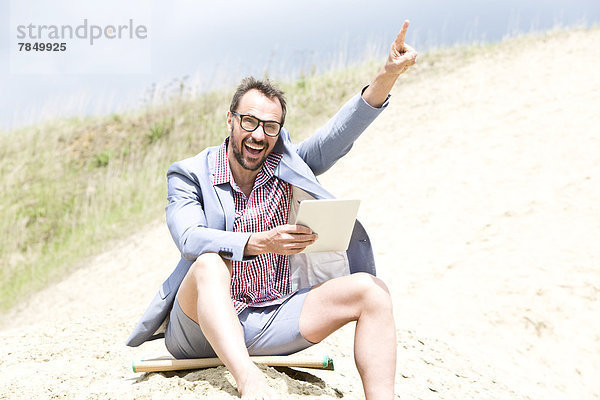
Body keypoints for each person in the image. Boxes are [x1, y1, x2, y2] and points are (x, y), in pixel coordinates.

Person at [127, 20, 418, 400]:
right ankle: (249, 381)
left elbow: (338, 134)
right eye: (249, 122)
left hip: (274, 317)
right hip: (202, 329)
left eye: (271, 127)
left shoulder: (286, 161)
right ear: (230, 120)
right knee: (208, 263)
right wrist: (257, 242)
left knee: (373, 292)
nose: (259, 135)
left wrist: (386, 76)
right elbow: (189, 238)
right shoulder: (189, 174)